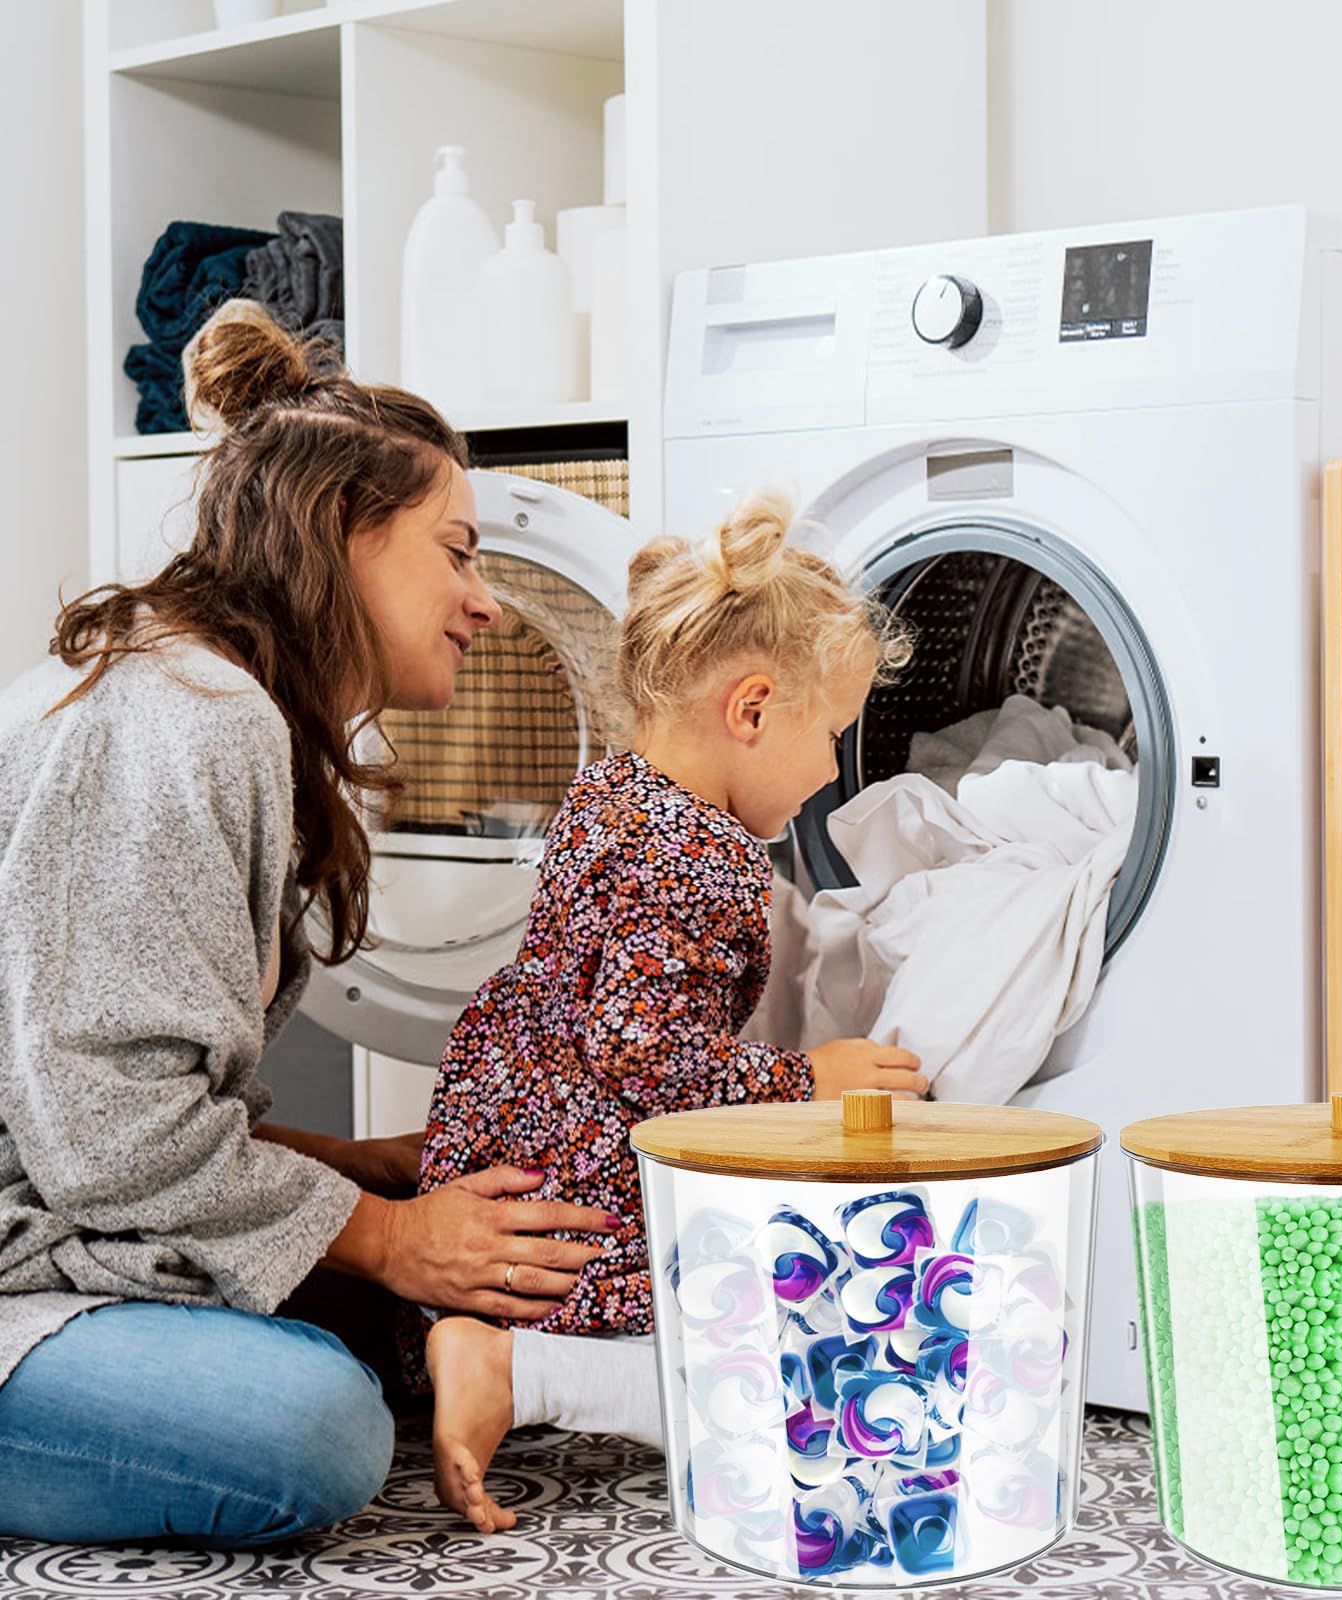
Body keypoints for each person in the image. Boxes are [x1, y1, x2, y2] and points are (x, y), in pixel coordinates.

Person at [0, 300, 629, 1548]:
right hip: (21, 1251)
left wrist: (351, 1169)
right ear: (343, 529)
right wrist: (390, 1237)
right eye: (455, 551)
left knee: (417, 1326)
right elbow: (108, 1135)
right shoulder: (190, 716)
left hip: (54, 1201)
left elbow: (100, 1090)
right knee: (315, 1432)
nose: (484, 601)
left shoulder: (215, 696)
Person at [417, 493, 927, 1532]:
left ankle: (472, 1340)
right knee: (795, 1384)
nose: (833, 769)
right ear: (750, 710)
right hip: (584, 1214)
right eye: (829, 734)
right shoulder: (704, 856)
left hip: (511, 1151)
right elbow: (643, 1055)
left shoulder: (608, 794)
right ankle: (515, 1366)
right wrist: (807, 1078)